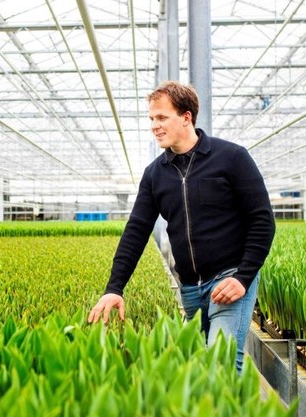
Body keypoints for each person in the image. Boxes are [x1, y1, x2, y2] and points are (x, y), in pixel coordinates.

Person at [87, 81, 275, 374]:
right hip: (189, 287)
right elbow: (136, 230)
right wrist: (114, 288)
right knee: (200, 368)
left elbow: (262, 220)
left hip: (229, 279)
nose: (155, 125)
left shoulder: (231, 158)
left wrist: (243, 277)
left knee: (222, 363)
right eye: (152, 118)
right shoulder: (155, 174)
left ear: (186, 117)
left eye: (162, 117)